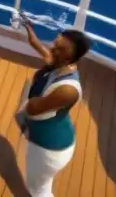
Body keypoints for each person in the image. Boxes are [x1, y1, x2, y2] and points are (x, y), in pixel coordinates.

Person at [15, 16, 91, 197]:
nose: (52, 49)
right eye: (55, 43)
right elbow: (35, 43)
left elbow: (32, 109)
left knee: (38, 189)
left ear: (71, 58)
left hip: (48, 150)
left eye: (59, 49)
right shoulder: (58, 63)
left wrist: (28, 95)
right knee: (39, 185)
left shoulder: (67, 90)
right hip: (49, 136)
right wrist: (29, 28)